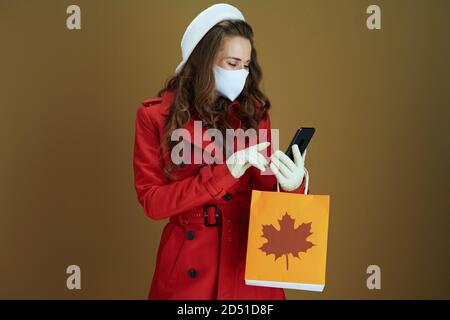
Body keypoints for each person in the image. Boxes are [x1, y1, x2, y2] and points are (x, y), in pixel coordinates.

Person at [133, 3, 308, 300]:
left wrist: (293, 186)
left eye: (246, 65)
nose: (241, 73)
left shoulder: (254, 113)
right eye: (231, 63)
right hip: (188, 267)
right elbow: (153, 202)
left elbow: (265, 195)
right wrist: (224, 173)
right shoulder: (154, 117)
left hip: (247, 263)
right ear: (202, 61)